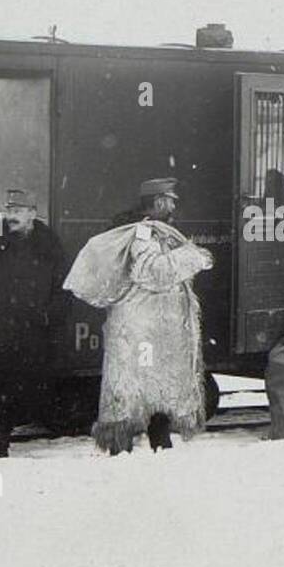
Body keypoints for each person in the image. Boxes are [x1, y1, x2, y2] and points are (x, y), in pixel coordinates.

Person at [93, 178, 214, 455]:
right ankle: (123, 449)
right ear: (159, 201)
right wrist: (192, 257)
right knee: (131, 388)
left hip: (151, 325)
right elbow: (151, 271)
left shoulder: (152, 230)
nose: (173, 205)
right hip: (140, 326)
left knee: (152, 385)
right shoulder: (143, 232)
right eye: (171, 200)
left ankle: (157, 441)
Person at [0, 190, 70, 460]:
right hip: (0, 329)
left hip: (34, 331)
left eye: (19, 211)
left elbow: (64, 290)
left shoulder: (50, 248)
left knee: (29, 386)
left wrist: (48, 316)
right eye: (9, 210)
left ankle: (19, 431)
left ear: (33, 213)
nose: (12, 217)